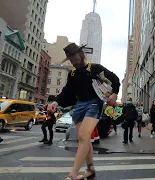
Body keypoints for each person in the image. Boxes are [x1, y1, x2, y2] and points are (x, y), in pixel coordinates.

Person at [46, 43, 120, 180]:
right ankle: (90, 168)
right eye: (70, 60)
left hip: (94, 104)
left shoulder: (95, 68)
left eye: (75, 59)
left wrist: (114, 94)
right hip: (79, 107)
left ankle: (73, 174)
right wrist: (56, 102)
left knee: (83, 137)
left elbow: (115, 79)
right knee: (84, 139)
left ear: (81, 55)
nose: (73, 62)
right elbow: (67, 92)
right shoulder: (72, 74)